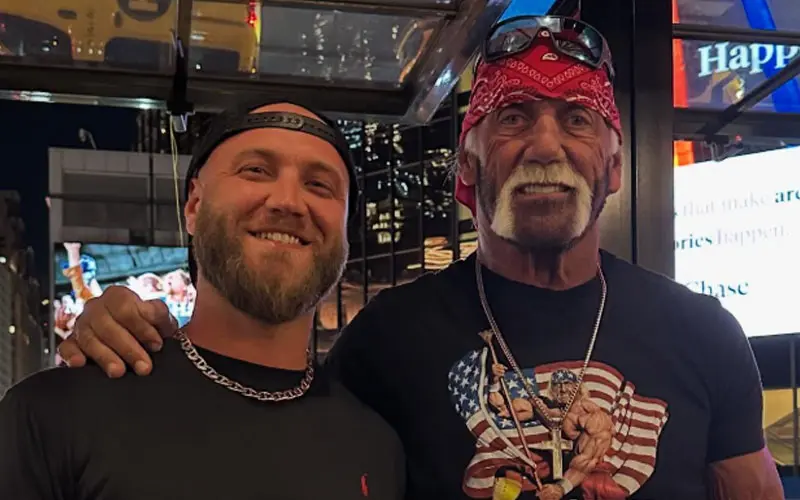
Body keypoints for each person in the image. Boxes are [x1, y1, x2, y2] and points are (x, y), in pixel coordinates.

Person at [55, 16, 782, 500]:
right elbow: (262, 423)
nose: (546, 145)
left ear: (615, 165)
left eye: (578, 120)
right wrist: (123, 324)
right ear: (466, 164)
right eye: (513, 118)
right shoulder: (388, 338)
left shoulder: (704, 333)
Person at [0, 100, 405, 499]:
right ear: (194, 205)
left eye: (319, 185)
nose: (288, 200)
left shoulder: (378, 450)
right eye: (256, 170)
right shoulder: (52, 416)